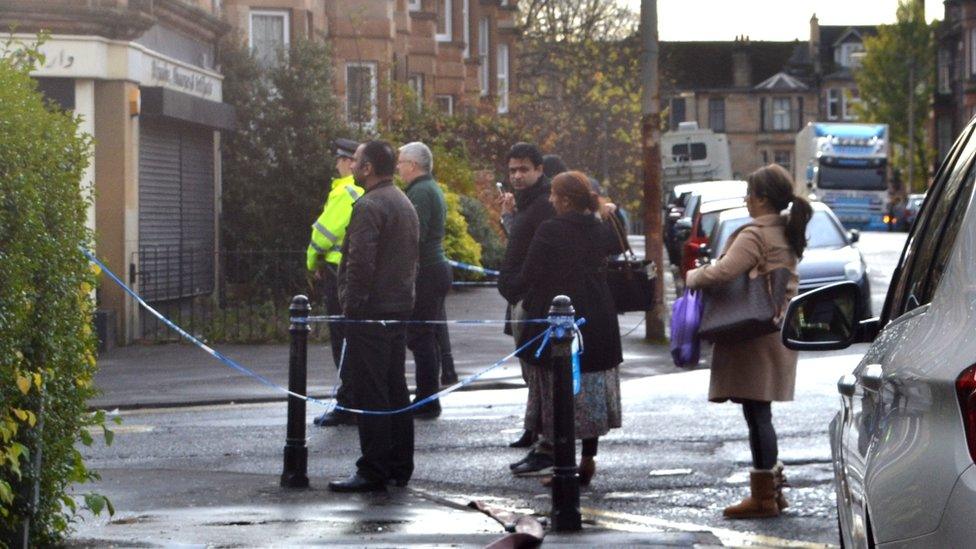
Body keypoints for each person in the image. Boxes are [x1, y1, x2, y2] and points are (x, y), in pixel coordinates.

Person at [685, 164, 812, 519]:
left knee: (756, 415)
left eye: (749, 193)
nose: (745, 199)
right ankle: (771, 489)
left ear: (761, 199)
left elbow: (725, 271)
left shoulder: (755, 234)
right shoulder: (786, 231)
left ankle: (763, 498)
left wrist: (693, 275)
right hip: (775, 330)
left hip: (752, 335)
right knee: (761, 413)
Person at [514, 171, 624, 486]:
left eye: (553, 195)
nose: (550, 200)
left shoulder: (550, 230)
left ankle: (564, 465)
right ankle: (587, 461)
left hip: (561, 320)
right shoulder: (600, 227)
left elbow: (529, 274)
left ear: (563, 200)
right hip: (599, 318)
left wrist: (513, 287)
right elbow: (618, 243)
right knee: (590, 391)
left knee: (560, 391)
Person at [328, 141, 420, 493]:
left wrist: (352, 309)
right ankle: (399, 465)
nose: (351, 165)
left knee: (372, 391)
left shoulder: (369, 205)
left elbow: (360, 263)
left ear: (367, 168)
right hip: (398, 309)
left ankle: (372, 469)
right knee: (395, 388)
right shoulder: (402, 201)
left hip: (371, 313)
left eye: (356, 161)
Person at [497, 142, 556, 474]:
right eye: (512, 170)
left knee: (540, 374)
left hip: (536, 302)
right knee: (533, 373)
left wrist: (515, 286)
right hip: (525, 299)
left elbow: (534, 256)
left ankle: (545, 443)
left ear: (539, 170)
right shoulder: (528, 204)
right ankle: (537, 435)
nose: (517, 176)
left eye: (523, 169)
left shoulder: (542, 206)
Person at [307, 138, 364, 428]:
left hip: (335, 270)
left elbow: (323, 234)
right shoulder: (364, 189)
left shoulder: (346, 191)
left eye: (340, 160)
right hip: (352, 272)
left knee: (341, 339)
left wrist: (311, 260)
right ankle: (354, 400)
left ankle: (347, 403)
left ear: (347, 162)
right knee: (352, 339)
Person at [397, 142, 452, 419]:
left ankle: (427, 399)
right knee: (425, 337)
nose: (398, 168)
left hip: (427, 271)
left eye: (401, 162)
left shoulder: (419, 192)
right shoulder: (428, 188)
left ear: (414, 165)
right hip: (434, 269)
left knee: (421, 337)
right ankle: (427, 397)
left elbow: (413, 235)